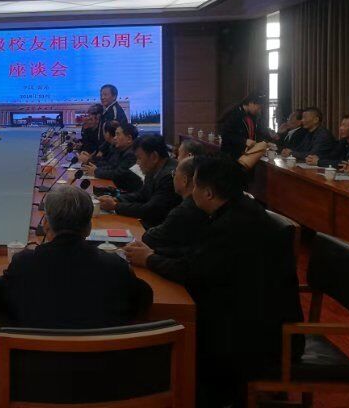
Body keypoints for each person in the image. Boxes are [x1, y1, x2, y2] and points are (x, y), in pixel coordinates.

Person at [124, 157, 303, 407]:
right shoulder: (236, 208)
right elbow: (198, 254)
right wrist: (154, 255)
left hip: (256, 332)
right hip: (248, 309)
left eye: (195, 185)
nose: (192, 191)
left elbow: (193, 271)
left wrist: (150, 259)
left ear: (208, 193)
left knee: (173, 322)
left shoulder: (234, 224)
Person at [0, 186, 152, 328]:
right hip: (98, 354)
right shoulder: (114, 266)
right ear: (89, 228)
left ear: (46, 225)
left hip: (35, 354)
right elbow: (143, 299)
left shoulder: (24, 263)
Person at [98, 134, 179, 227]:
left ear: (154, 157)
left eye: (139, 158)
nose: (137, 162)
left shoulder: (170, 176)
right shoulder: (154, 168)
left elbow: (151, 210)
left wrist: (115, 206)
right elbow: (142, 194)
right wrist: (116, 199)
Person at [139, 156, 210, 257]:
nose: (173, 177)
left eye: (174, 173)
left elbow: (150, 239)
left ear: (185, 180)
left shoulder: (185, 210)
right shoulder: (201, 205)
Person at [218, 93, 266, 160]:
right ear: (251, 103)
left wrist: (265, 142)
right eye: (259, 107)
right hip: (231, 157)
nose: (259, 111)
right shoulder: (235, 114)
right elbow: (225, 135)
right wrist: (244, 141)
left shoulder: (252, 116)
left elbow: (255, 133)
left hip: (246, 156)